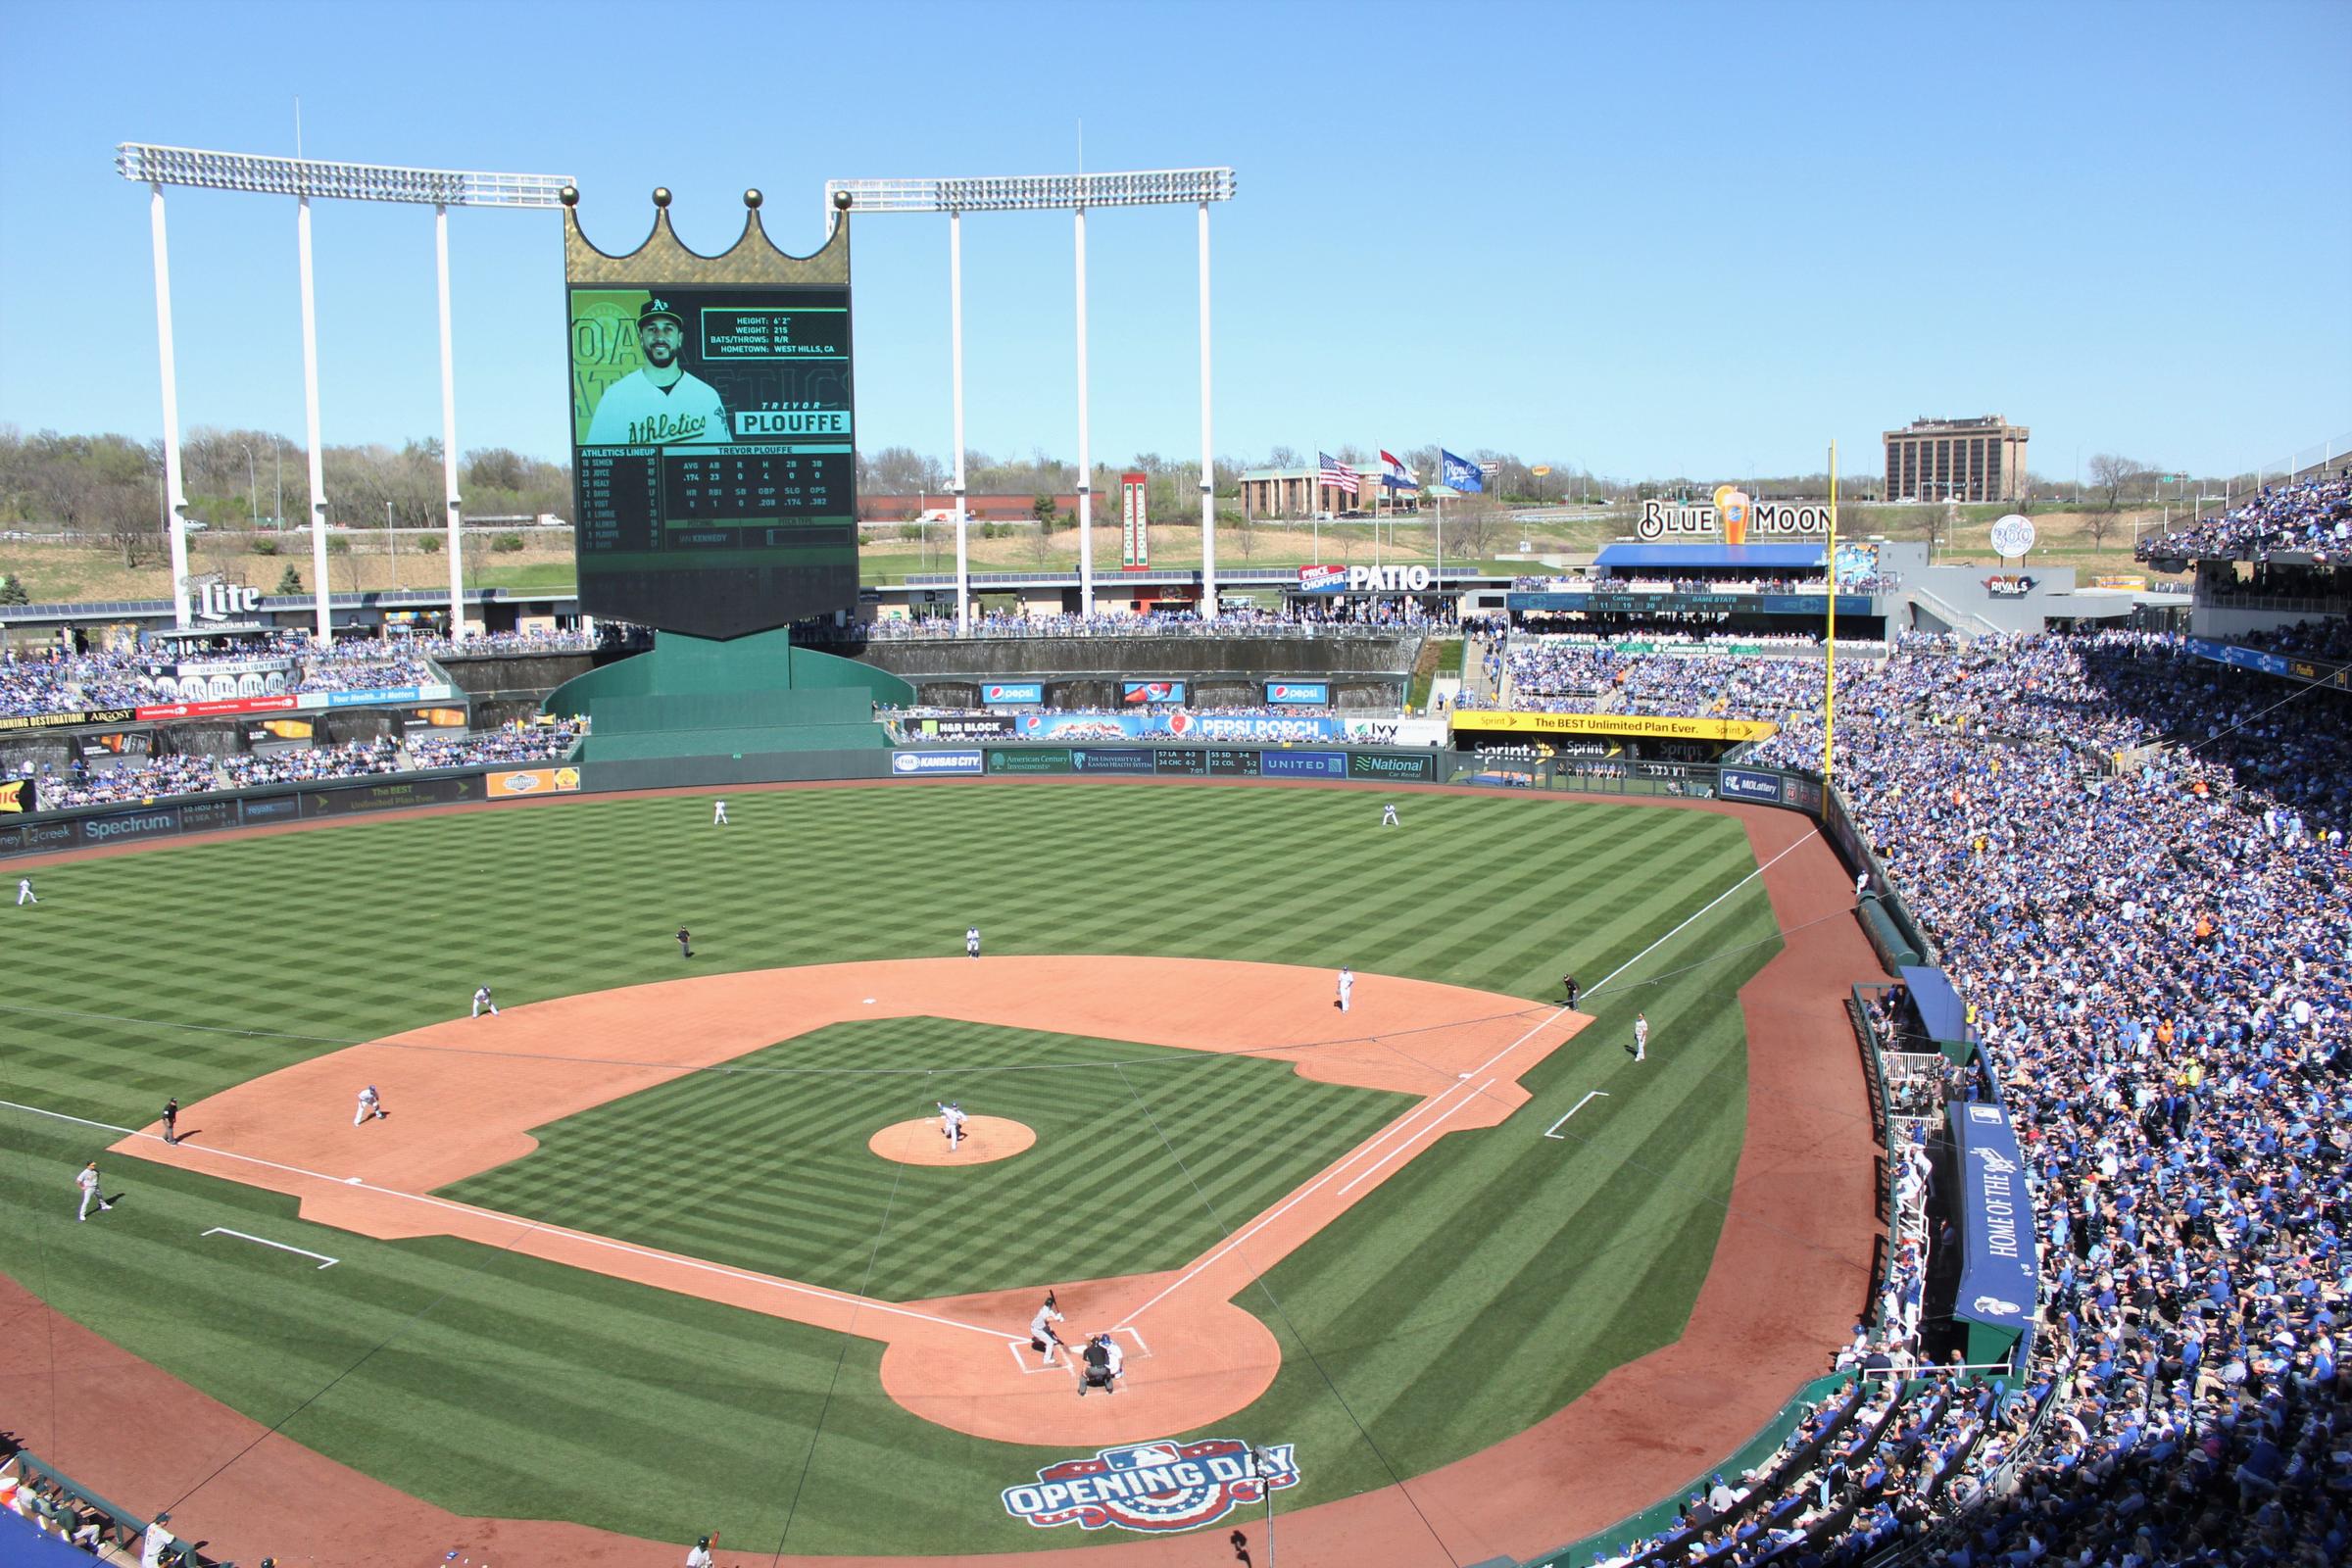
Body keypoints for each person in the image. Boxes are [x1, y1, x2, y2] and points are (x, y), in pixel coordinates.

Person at [584, 297, 729, 447]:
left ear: (679, 338)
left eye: (668, 329)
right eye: (652, 329)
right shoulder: (615, 397)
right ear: (641, 338)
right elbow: (595, 463)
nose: (660, 336)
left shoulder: (706, 396)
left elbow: (725, 460)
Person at [1029, 1294, 1066, 1367]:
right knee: (1050, 1343)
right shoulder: (1044, 1311)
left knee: (1049, 1329)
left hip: (1040, 1327)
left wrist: (1059, 1319)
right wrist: (1056, 1319)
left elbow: (1053, 1316)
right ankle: (1046, 1360)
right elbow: (1047, 1319)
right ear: (1051, 1304)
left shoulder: (1048, 1309)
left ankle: (1039, 1338)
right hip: (1036, 1330)